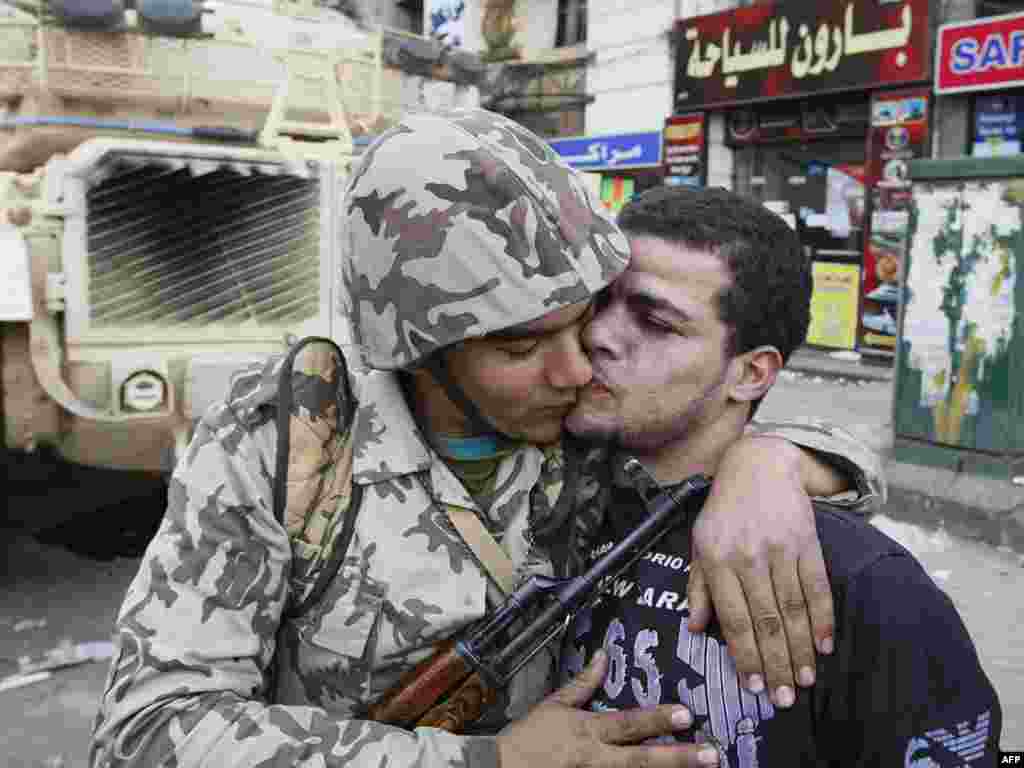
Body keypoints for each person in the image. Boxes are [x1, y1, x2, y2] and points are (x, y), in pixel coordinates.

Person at [89, 110, 882, 768]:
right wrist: (489, 761)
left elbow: (734, 426)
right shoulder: (288, 442)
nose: (577, 369)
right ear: (422, 352)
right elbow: (146, 734)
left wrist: (769, 462)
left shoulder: (585, 427)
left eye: (582, 319)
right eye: (520, 346)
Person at [559, 186, 1002, 765]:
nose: (598, 334)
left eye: (656, 322)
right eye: (599, 301)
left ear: (750, 373)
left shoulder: (858, 580)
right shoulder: (544, 500)